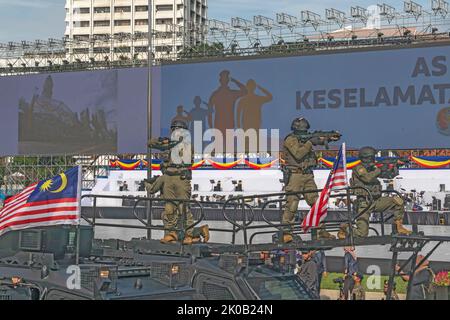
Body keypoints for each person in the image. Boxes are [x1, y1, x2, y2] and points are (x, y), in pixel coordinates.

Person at [281, 117, 337, 243]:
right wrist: (310, 142)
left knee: (316, 203)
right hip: (295, 175)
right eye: (303, 130)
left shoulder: (306, 139)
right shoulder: (290, 139)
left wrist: (327, 138)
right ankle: (286, 233)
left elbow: (316, 140)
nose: (305, 132)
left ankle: (320, 230)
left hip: (308, 175)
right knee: (292, 204)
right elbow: (298, 154)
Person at [338, 146, 412, 239]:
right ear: (367, 158)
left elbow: (388, 176)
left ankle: (399, 227)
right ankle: (346, 229)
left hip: (376, 201)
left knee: (397, 201)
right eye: (372, 157)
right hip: (364, 203)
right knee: (362, 234)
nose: (374, 159)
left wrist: (395, 166)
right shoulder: (358, 168)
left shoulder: (373, 168)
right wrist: (379, 169)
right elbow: (367, 178)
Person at [148, 119, 197, 245]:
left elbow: (186, 159)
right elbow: (150, 143)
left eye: (179, 129)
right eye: (174, 129)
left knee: (183, 208)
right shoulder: (169, 143)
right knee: (169, 209)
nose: (176, 131)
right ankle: (170, 233)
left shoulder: (187, 145)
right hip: (168, 178)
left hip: (181, 179)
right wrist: (162, 140)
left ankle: (189, 235)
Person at [144, 174, 210, 244]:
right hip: (183, 203)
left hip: (171, 205)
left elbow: (151, 189)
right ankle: (198, 232)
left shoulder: (164, 178)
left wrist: (146, 182)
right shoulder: (183, 177)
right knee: (185, 224)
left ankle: (172, 237)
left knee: (170, 221)